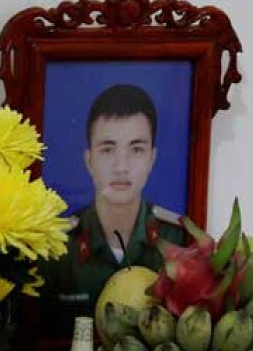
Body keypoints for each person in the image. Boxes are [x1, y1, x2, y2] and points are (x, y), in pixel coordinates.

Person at [38, 84, 186, 336]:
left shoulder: (178, 240)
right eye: (107, 149)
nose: (121, 166)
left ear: (152, 158)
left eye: (136, 149)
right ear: (89, 160)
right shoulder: (58, 247)